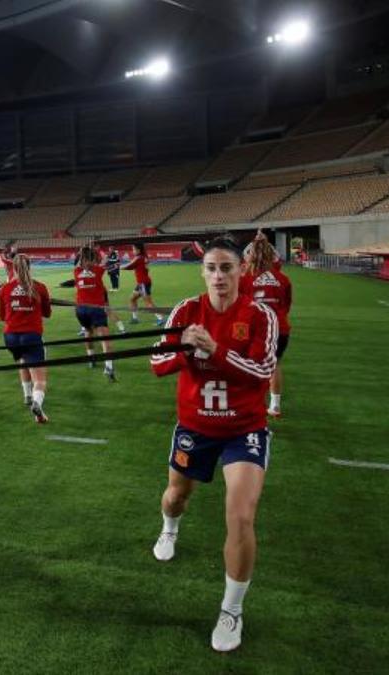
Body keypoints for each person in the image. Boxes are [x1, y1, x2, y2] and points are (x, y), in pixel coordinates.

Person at [149, 237, 279, 653]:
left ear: (242, 270)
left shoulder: (261, 315)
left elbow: (262, 371)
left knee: (241, 517)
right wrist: (185, 350)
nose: (219, 276)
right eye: (211, 268)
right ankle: (170, 529)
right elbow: (156, 362)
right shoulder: (186, 311)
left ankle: (231, 609)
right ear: (202, 272)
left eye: (226, 267)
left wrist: (215, 349)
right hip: (196, 426)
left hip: (245, 429)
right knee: (175, 498)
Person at [240, 232, 292, 417]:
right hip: (279, 328)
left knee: (247, 365)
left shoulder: (244, 279)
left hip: (254, 329)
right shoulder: (283, 278)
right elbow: (286, 305)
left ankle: (249, 404)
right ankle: (275, 405)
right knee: (274, 365)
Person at [0, 254, 52, 423]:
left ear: (13, 268)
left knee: (22, 359)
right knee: (41, 380)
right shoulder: (40, 288)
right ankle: (37, 403)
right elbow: (47, 313)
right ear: (30, 267)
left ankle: (27, 396)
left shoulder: (5, 289)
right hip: (31, 335)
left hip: (10, 337)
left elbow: (2, 316)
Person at [73, 246, 118, 382]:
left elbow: (78, 261)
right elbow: (104, 260)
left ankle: (91, 359)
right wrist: (98, 251)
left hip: (81, 310)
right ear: (92, 260)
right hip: (96, 309)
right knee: (105, 338)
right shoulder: (98, 271)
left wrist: (83, 252)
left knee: (88, 332)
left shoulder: (76, 271)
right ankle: (108, 367)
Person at [124, 243, 164, 325]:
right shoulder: (142, 257)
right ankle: (135, 319)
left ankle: (161, 318)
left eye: (134, 249)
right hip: (141, 283)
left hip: (143, 283)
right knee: (132, 299)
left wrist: (119, 267)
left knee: (148, 303)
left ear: (138, 250)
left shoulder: (139, 258)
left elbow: (128, 266)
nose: (132, 251)